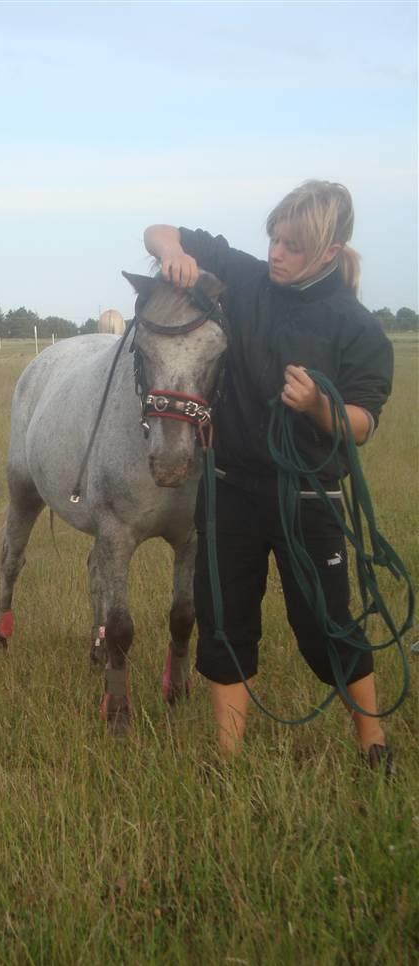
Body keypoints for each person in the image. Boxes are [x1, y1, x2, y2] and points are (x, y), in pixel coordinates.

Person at [144, 180, 394, 771]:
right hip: (229, 489)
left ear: (329, 253)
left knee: (326, 628)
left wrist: (318, 407)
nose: (276, 253)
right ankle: (226, 758)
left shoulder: (355, 327)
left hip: (308, 495)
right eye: (274, 239)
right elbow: (159, 230)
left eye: (293, 246)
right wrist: (171, 253)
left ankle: (373, 742)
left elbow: (362, 423)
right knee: (225, 623)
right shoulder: (248, 279)